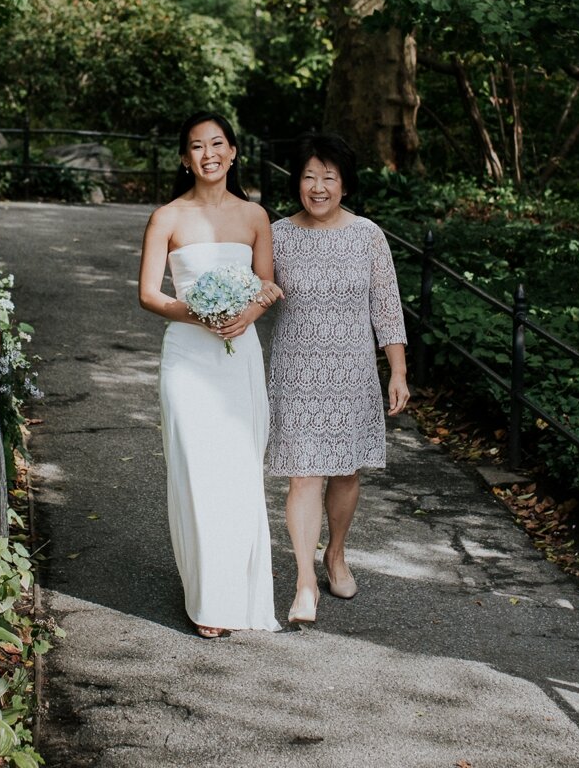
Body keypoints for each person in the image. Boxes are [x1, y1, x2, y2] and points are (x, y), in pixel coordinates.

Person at [135, 113, 285, 636]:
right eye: (197, 147)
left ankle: (237, 590)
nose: (208, 154)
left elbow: (267, 284)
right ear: (185, 158)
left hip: (239, 354)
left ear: (234, 151)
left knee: (238, 472)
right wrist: (195, 311)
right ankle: (206, 598)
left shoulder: (255, 216)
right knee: (197, 473)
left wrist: (248, 312)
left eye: (217, 144)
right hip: (187, 358)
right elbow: (150, 294)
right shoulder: (167, 217)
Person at [262, 131, 409, 625]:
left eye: (328, 177)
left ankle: (336, 553)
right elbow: (255, 292)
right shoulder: (277, 234)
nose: (318, 186)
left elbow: (386, 308)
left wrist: (398, 371)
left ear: (345, 184)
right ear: (297, 182)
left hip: (352, 371)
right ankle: (305, 580)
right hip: (296, 370)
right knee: (303, 474)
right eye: (309, 176)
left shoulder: (368, 235)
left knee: (345, 471)